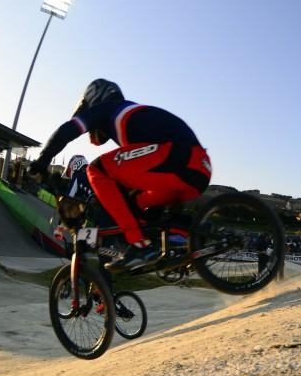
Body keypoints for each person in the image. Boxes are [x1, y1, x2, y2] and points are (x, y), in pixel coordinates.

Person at [27, 79, 212, 270]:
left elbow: (67, 130)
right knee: (136, 203)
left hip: (177, 156)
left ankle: (138, 245)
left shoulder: (107, 108)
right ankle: (193, 234)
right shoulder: (134, 121)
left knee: (96, 169)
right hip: (198, 170)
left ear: (95, 98)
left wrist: (43, 160)